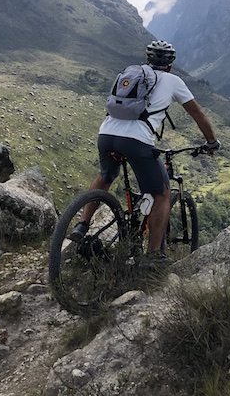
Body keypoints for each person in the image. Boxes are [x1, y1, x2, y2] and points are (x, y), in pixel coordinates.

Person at [69, 40, 220, 263]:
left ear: (148, 59)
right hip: (136, 141)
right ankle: (153, 255)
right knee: (162, 195)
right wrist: (211, 142)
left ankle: (82, 224)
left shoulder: (132, 73)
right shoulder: (173, 81)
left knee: (105, 176)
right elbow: (197, 114)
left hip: (106, 135)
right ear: (170, 64)